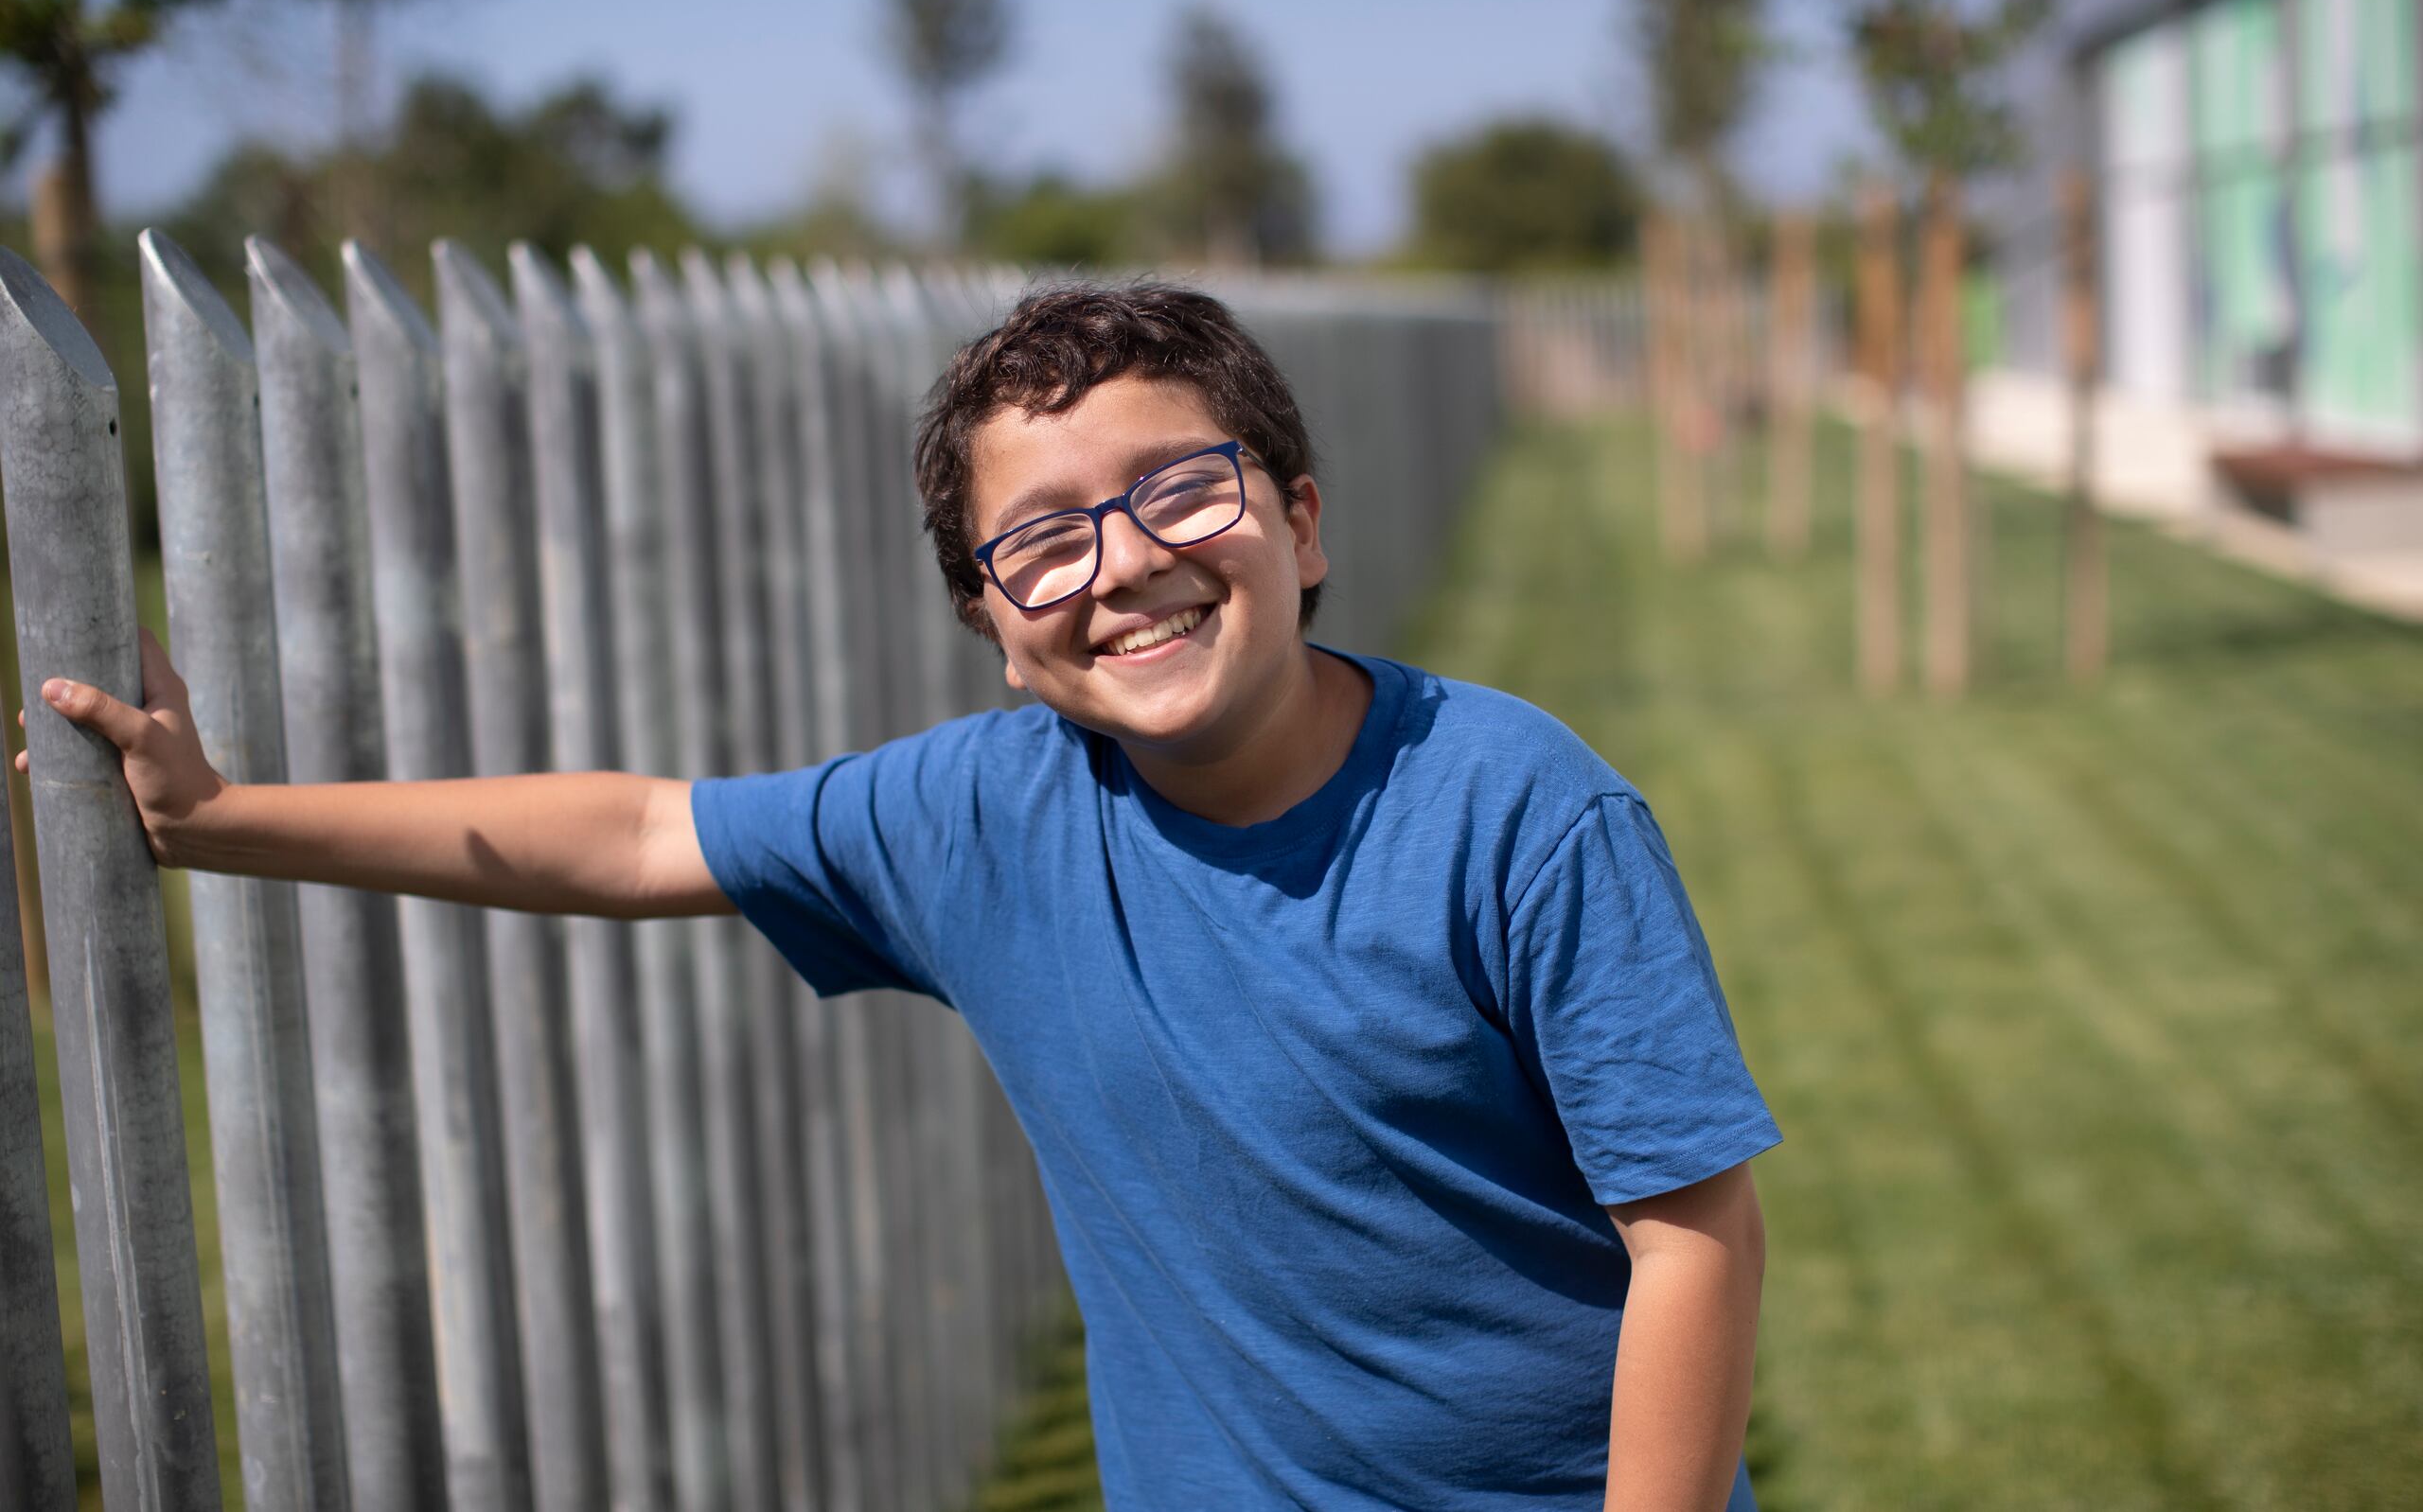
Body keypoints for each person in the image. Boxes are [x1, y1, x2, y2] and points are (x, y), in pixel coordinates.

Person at [30, 281, 1777, 1511]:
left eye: (1184, 486)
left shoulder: (1517, 807)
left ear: (1301, 523)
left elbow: (1693, 1235)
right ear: (997, 633)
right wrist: (229, 817)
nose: (1129, 562)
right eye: (1045, 538)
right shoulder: (979, 821)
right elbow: (639, 834)